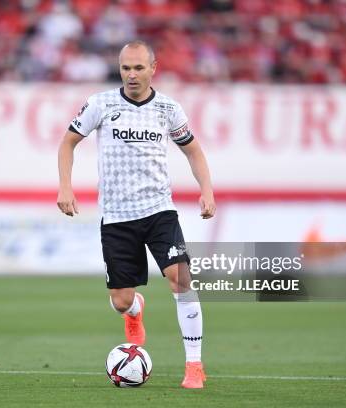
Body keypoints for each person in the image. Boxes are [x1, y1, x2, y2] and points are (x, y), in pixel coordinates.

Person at [57, 40, 216, 389]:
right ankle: (134, 310)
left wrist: (206, 190)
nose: (131, 74)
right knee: (120, 300)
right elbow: (68, 142)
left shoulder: (168, 109)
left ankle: (194, 366)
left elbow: (194, 152)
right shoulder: (101, 104)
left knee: (181, 279)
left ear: (153, 68)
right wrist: (65, 187)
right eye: (126, 67)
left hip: (159, 210)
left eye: (138, 68)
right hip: (116, 216)